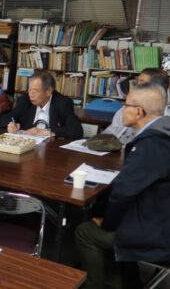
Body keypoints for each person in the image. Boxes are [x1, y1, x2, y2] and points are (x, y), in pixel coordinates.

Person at [75, 82, 170, 289]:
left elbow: (122, 193)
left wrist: (108, 223)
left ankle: (95, 285)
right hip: (159, 217)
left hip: (157, 233)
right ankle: (124, 278)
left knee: (85, 231)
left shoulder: (151, 145)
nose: (121, 110)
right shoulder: (164, 132)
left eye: (125, 105)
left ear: (138, 112)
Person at [0, 69, 83, 139]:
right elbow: (4, 119)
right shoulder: (25, 100)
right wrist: (10, 125)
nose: (30, 94)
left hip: (51, 150)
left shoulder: (62, 103)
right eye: (29, 90)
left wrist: (44, 132)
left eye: (35, 91)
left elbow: (76, 131)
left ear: (48, 91)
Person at [103, 68, 170, 144]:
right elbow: (109, 134)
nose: (137, 86)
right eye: (137, 81)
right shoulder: (125, 111)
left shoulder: (166, 117)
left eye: (142, 82)